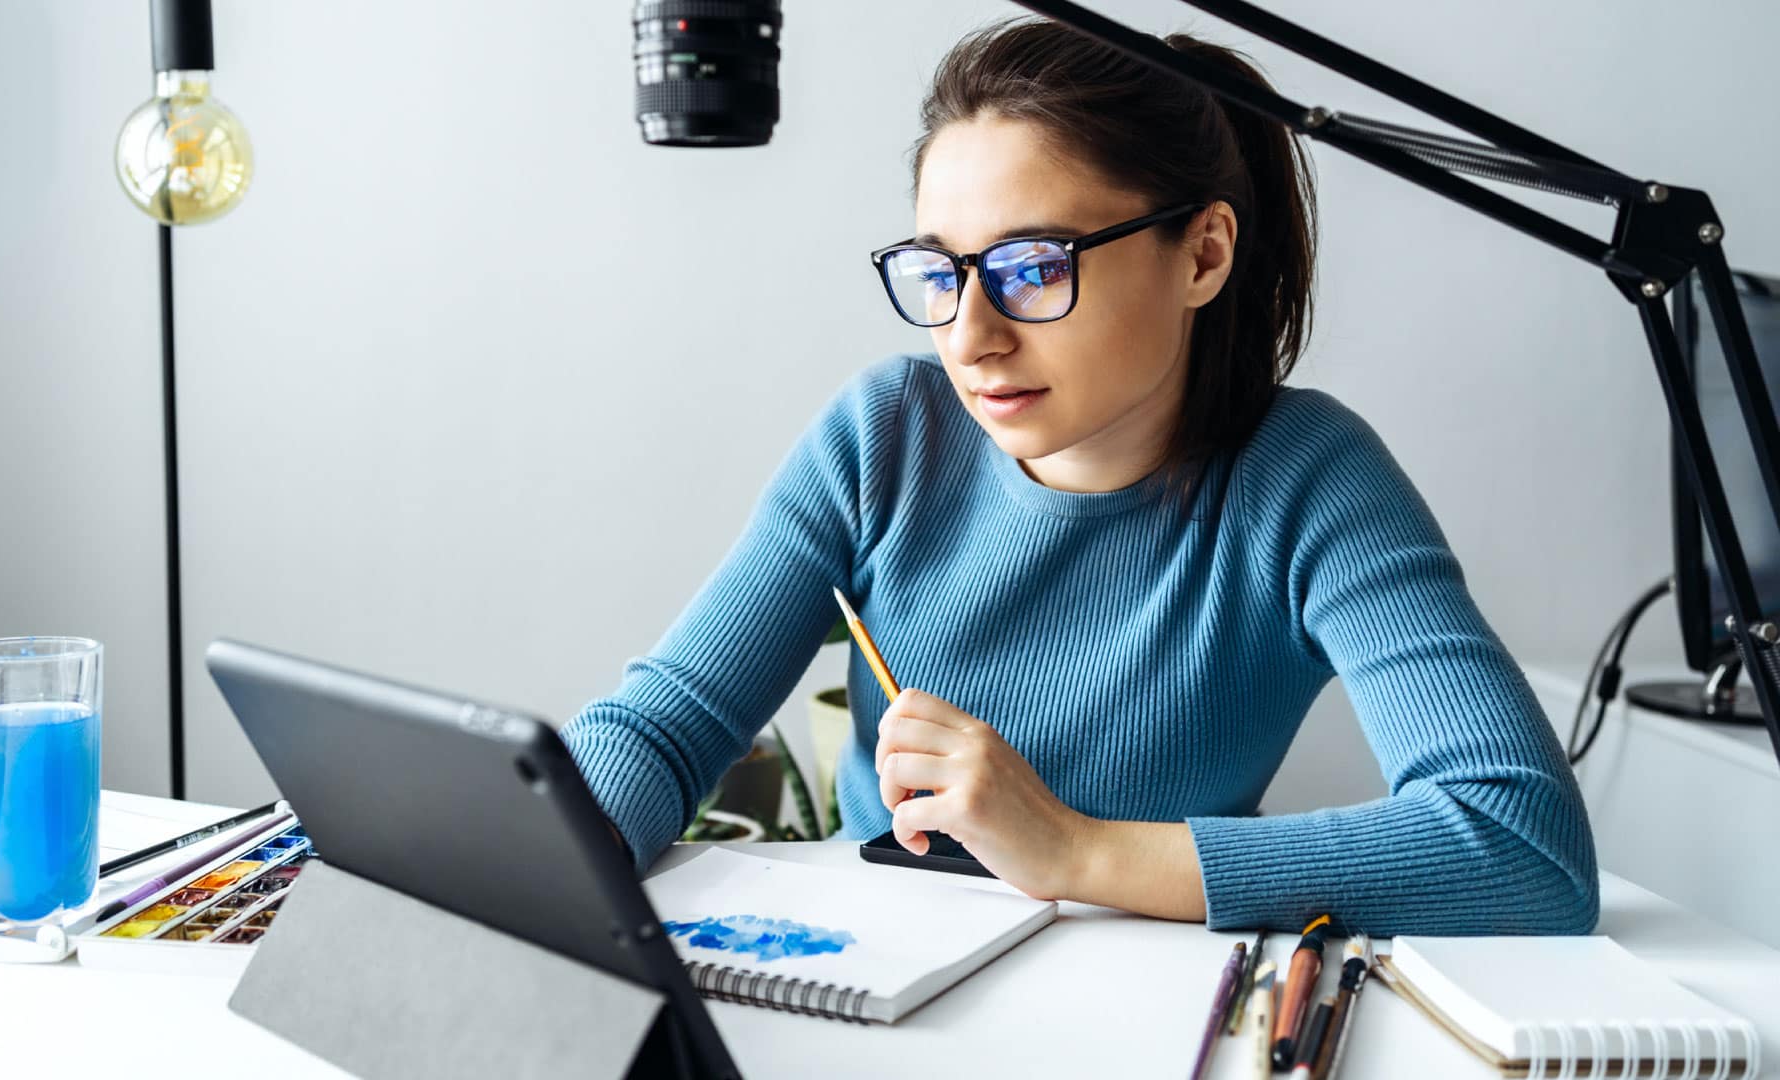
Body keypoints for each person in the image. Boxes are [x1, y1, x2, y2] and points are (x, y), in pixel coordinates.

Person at [560, 15, 1598, 936]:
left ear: (1201, 255)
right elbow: (665, 728)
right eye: (940, 272)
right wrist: (550, 871)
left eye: (1032, 268)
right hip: (880, 979)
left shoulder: (1310, 481)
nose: (970, 338)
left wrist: (1072, 853)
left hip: (1158, 1010)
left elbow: (1521, 844)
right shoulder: (884, 434)